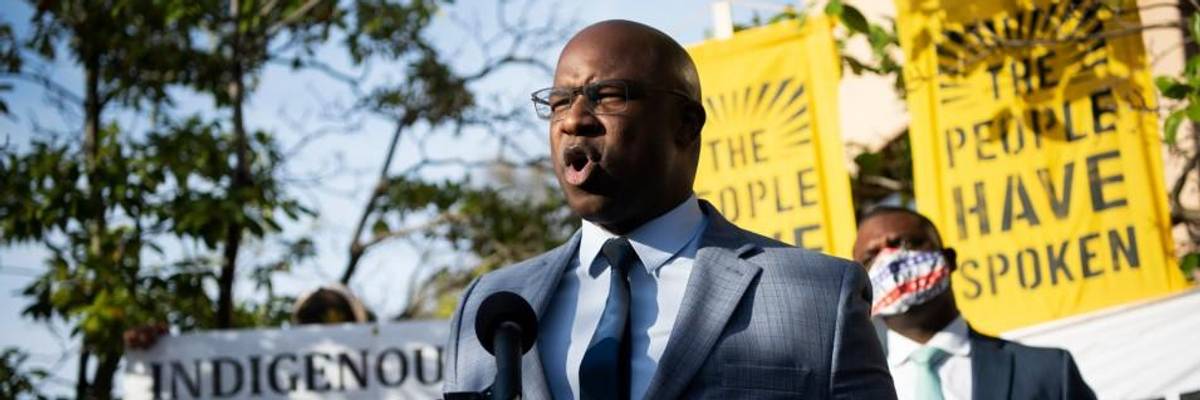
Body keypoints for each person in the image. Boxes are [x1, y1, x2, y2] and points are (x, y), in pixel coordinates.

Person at [442, 20, 896, 400]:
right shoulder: (488, 308)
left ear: (685, 125)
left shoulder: (818, 296)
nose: (573, 119)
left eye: (608, 95)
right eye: (560, 101)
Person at [852, 206, 1096, 400]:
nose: (891, 261)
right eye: (871, 257)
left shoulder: (1049, 372)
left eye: (905, 243)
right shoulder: (844, 391)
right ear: (861, 287)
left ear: (949, 260)